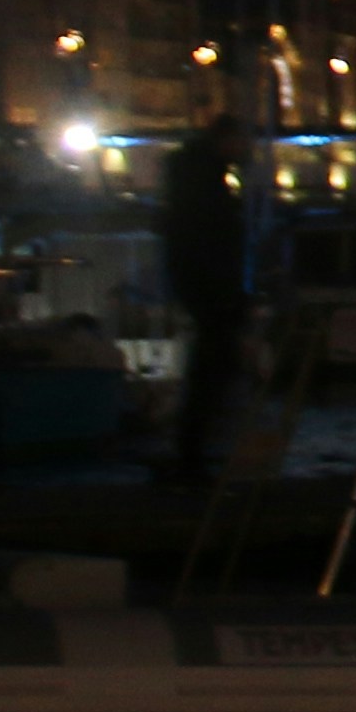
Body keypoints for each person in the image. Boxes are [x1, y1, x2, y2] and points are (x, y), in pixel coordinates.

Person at [157, 109, 257, 483]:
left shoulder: (189, 178)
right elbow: (217, 240)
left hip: (200, 286)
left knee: (210, 367)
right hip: (212, 289)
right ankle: (199, 451)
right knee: (213, 368)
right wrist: (231, 293)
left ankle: (197, 449)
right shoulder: (208, 187)